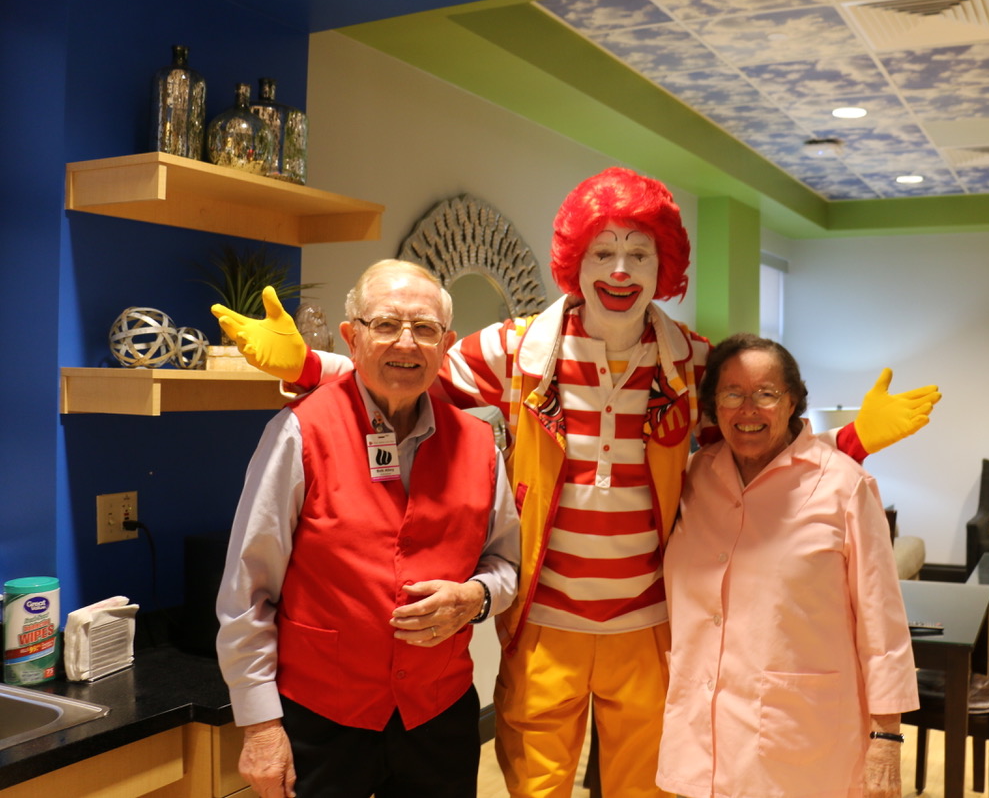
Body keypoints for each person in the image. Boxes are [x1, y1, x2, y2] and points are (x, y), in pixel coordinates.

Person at [214, 168, 939, 798]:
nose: (620, 271)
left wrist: (850, 442)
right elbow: (408, 368)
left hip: (648, 626)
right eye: (604, 252)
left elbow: (759, 445)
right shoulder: (512, 348)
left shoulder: (692, 362)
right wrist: (309, 366)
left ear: (664, 266)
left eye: (639, 253)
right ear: (575, 261)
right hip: (545, 625)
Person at [215, 259, 520, 798]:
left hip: (439, 717)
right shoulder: (298, 433)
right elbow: (248, 590)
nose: (406, 342)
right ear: (352, 338)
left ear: (446, 345)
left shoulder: (479, 446)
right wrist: (260, 725)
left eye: (424, 328)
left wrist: (476, 597)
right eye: (386, 324)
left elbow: (505, 564)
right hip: (323, 719)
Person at [658, 333, 918, 798]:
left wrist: (887, 736)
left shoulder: (845, 486)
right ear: (714, 405)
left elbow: (882, 625)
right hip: (702, 734)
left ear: (792, 400)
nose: (748, 409)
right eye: (732, 394)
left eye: (766, 394)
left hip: (803, 741)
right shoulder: (695, 476)